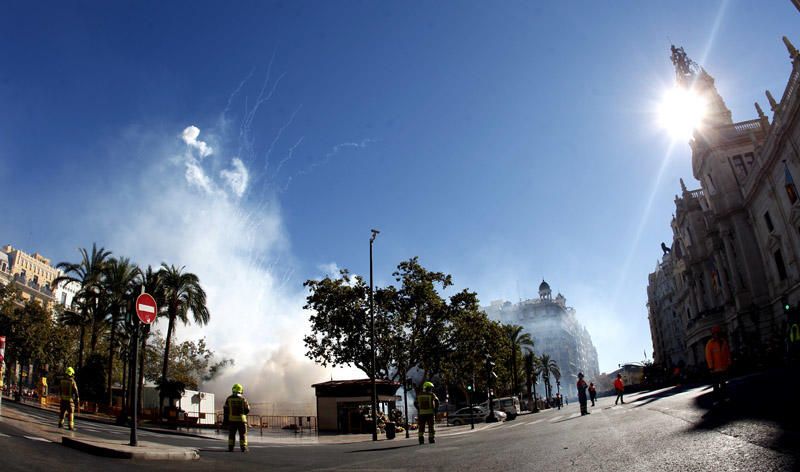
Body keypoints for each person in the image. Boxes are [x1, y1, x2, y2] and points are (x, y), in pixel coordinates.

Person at [705, 325, 732, 402]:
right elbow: (708, 356)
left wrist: (729, 363)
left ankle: (725, 397)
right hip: (715, 369)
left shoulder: (723, 342)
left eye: (717, 333)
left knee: (723, 384)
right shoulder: (710, 344)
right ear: (712, 334)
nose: (716, 335)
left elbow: (727, 353)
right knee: (716, 385)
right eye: (714, 333)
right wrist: (711, 367)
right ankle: (716, 400)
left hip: (723, 367)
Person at [223, 383, 251, 452]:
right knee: (243, 435)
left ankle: (230, 447)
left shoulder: (229, 399)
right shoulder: (243, 399)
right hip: (241, 420)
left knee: (231, 435)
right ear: (241, 390)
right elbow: (247, 409)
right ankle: (243, 448)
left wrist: (225, 421)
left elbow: (226, 410)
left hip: (232, 420)